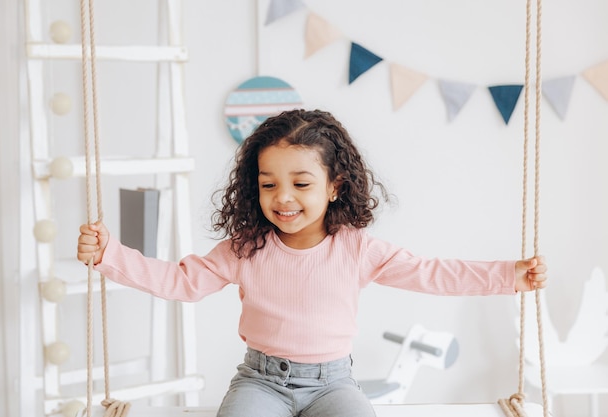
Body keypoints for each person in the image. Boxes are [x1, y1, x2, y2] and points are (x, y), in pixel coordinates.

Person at [77, 109, 547, 417]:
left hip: (333, 385)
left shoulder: (356, 248)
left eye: (301, 184)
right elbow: (180, 282)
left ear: (334, 185)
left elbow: (433, 274)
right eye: (268, 184)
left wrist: (509, 276)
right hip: (261, 382)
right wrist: (109, 255)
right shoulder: (246, 247)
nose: (282, 198)